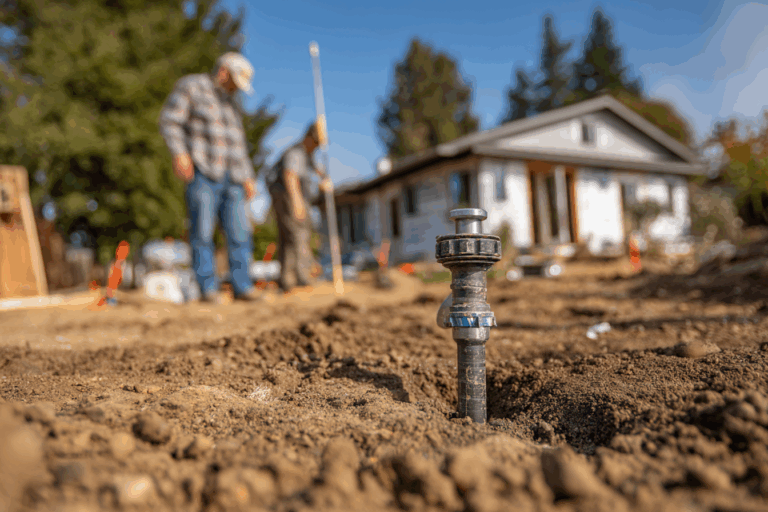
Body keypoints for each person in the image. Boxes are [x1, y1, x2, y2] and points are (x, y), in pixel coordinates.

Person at [159, 52, 261, 303]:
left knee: (240, 234)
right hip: (204, 172)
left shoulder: (232, 103)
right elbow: (170, 121)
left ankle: (242, 286)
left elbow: (237, 143)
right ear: (223, 71)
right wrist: (180, 153)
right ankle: (207, 289)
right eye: (234, 82)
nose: (235, 89)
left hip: (234, 177)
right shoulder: (192, 87)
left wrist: (248, 176)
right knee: (202, 233)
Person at [266, 122, 333, 293]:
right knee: (299, 233)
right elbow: (290, 176)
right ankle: (301, 277)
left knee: (288, 237)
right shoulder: (296, 153)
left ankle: (287, 279)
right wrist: (297, 202)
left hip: (290, 195)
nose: (317, 148)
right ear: (309, 138)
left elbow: (313, 166)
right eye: (316, 143)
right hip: (287, 195)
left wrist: (323, 175)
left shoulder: (307, 155)